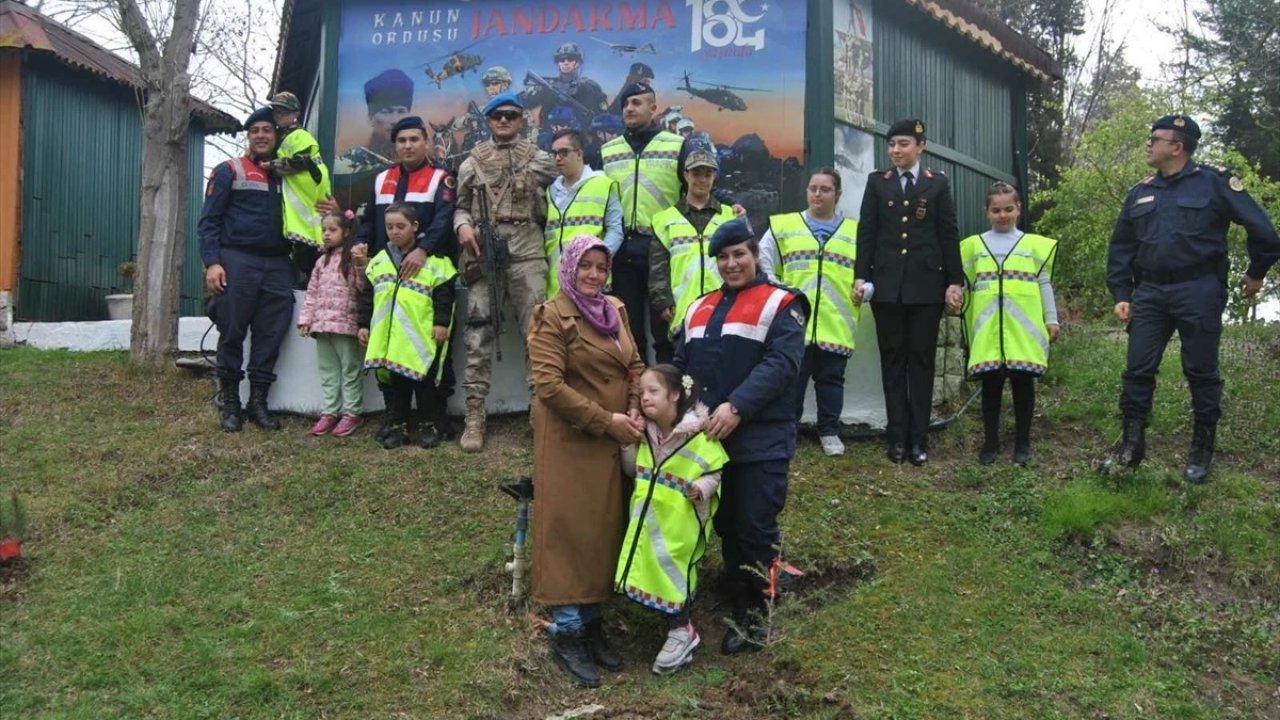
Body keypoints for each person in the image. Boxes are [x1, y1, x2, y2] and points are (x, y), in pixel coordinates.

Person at [1102, 114, 1280, 483]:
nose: (1149, 144)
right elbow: (1121, 246)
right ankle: (1131, 446)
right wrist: (1122, 292)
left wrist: (1256, 272)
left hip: (1198, 289)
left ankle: (1201, 450)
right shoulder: (1142, 190)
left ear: (1177, 146)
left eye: (1155, 138)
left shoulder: (1215, 183)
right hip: (1149, 292)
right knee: (1137, 369)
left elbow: (1263, 230)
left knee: (1201, 371)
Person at [674, 218, 807, 654]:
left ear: (755, 256)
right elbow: (682, 369)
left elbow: (782, 365)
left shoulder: (782, 303)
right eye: (723, 257)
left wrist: (737, 406)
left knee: (753, 526)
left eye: (740, 255)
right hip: (710, 444)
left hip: (760, 441)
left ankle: (755, 618)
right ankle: (736, 592)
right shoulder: (698, 307)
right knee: (727, 524)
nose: (731, 264)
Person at [528, 235, 646, 688]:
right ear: (569, 268)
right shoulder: (551, 317)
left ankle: (593, 623)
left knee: (602, 528)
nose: (595, 275)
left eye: (602, 266)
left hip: (613, 436)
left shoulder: (615, 309)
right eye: (586, 267)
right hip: (570, 440)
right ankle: (568, 632)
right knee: (568, 530)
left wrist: (634, 406)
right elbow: (549, 388)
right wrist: (606, 420)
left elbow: (633, 364)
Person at [854, 118, 963, 466]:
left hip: (927, 289)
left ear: (920, 147)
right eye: (892, 145)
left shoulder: (938, 185)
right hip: (886, 289)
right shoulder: (877, 183)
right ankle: (896, 437)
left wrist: (954, 282)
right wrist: (861, 277)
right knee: (893, 362)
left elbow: (948, 234)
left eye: (903, 144)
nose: (896, 151)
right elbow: (866, 234)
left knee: (921, 361)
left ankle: (919, 439)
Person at [453, 91, 557, 452]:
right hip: (485, 250)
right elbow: (460, 207)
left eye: (510, 116)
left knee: (538, 331)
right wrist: (463, 226)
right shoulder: (472, 162)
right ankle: (475, 414)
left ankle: (540, 412)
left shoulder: (541, 159)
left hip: (527, 248)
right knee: (479, 331)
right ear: (488, 121)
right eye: (497, 116)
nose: (503, 121)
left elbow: (564, 188)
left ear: (521, 119)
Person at [616, 364, 727, 676]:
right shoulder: (647, 433)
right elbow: (631, 469)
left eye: (654, 391)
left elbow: (714, 471)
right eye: (642, 392)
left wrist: (701, 489)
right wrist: (627, 442)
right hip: (648, 521)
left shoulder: (700, 437)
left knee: (673, 573)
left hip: (678, 526)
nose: (645, 398)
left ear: (676, 394)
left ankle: (682, 630)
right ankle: (671, 628)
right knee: (649, 568)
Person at [200, 107, 299, 433]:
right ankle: (230, 403)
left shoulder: (288, 175)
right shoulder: (229, 170)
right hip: (237, 260)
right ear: (249, 135)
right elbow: (209, 222)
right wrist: (212, 262)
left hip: (277, 264)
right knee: (231, 331)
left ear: (276, 136)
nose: (261, 135)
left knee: (271, 334)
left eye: (267, 130)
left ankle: (259, 403)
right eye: (255, 130)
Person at [760, 168, 860, 457]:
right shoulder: (784, 226)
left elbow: (869, 273)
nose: (817, 194)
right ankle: (787, 428)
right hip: (795, 322)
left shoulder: (855, 232)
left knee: (831, 380)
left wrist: (864, 289)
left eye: (825, 189)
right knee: (793, 379)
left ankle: (829, 431)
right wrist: (779, 292)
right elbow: (764, 261)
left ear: (837, 195)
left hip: (836, 323)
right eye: (813, 188)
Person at [960, 182, 1060, 465]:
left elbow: (1043, 283)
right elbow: (964, 284)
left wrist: (1051, 319)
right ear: (986, 213)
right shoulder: (973, 247)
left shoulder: (1033, 246)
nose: (1002, 215)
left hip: (1023, 332)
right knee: (990, 387)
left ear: (1019, 209)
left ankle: (1022, 444)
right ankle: (990, 442)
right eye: (996, 210)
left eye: (1008, 209)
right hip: (988, 331)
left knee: (1023, 386)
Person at [602, 84, 701, 364]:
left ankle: (667, 401)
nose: (629, 108)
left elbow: (698, 187)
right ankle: (638, 400)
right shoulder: (608, 151)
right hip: (622, 250)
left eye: (636, 103)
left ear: (653, 108)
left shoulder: (676, 145)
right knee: (629, 333)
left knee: (665, 330)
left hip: (662, 249)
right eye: (625, 104)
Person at [356, 203, 457, 450]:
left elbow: (444, 295)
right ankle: (397, 425)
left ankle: (428, 425)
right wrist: (363, 324)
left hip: (423, 339)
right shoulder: (379, 260)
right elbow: (367, 296)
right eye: (389, 227)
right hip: (391, 343)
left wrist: (441, 323)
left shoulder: (435, 261)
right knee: (397, 388)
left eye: (401, 226)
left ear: (415, 226)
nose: (394, 232)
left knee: (427, 388)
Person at [649, 149, 736, 343]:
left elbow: (743, 264)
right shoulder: (664, 219)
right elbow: (658, 267)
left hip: (725, 309)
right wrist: (662, 301)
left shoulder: (730, 216)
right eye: (696, 174)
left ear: (715, 177)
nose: (702, 180)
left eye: (708, 174)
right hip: (683, 311)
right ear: (686, 175)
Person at [298, 209, 366, 437]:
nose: (326, 234)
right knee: (328, 370)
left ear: (346, 232)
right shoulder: (321, 262)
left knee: (349, 369)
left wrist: (360, 265)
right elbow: (312, 292)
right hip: (322, 327)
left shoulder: (351, 260)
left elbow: (362, 288)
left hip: (345, 327)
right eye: (324, 230)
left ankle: (352, 412)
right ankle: (330, 412)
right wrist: (306, 319)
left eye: (332, 230)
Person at [544, 129, 622, 298]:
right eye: (555, 153)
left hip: (592, 284)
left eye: (564, 152)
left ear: (579, 154)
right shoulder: (550, 192)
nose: (558, 158)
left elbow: (616, 232)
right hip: (556, 287)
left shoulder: (603, 185)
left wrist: (597, 264)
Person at [265, 91, 331, 253]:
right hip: (301, 205)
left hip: (310, 198)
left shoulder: (300, 135)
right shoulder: (281, 136)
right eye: (277, 111)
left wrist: (272, 165)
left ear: (296, 114)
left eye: (285, 111)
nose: (279, 115)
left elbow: (302, 161)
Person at [523, 42, 608, 132]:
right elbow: (525, 103)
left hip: (581, 137)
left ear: (577, 63)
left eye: (570, 59)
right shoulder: (547, 86)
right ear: (558, 63)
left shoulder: (590, 86)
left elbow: (603, 114)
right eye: (562, 60)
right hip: (551, 137)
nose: (566, 63)